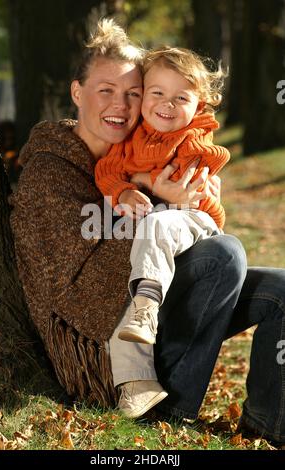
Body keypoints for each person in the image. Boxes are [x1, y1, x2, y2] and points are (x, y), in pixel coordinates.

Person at [9, 19, 285, 446]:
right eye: (105, 90)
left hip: (170, 289)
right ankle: (172, 415)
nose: (120, 104)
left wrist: (189, 193)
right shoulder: (49, 172)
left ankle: (265, 428)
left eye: (133, 93)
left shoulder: (146, 148)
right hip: (110, 338)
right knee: (224, 255)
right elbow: (73, 289)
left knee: (280, 292)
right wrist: (164, 199)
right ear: (77, 93)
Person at [95, 46, 229, 344]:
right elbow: (107, 170)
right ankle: (136, 374)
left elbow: (186, 183)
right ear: (143, 95)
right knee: (137, 238)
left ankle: (147, 306)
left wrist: (144, 177)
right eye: (157, 93)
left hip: (195, 218)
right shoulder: (130, 137)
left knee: (156, 225)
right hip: (161, 221)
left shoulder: (194, 134)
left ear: (199, 105)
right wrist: (124, 191)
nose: (167, 104)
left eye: (181, 98)